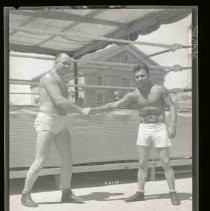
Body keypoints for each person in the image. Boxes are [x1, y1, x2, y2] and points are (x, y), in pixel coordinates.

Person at [88, 64, 180, 205]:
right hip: (144, 128)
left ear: (148, 76)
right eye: (137, 77)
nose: (139, 79)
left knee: (165, 162)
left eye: (142, 75)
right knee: (142, 163)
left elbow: (172, 106)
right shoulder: (134, 94)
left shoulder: (159, 89)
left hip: (159, 127)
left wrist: (173, 125)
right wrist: (96, 110)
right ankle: (140, 192)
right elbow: (115, 105)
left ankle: (173, 192)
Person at [21, 53, 90, 207]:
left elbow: (64, 103)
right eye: (64, 63)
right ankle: (25, 194)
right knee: (40, 160)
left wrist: (77, 105)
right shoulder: (48, 77)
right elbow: (59, 101)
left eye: (69, 64)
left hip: (61, 121)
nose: (67, 66)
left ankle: (66, 193)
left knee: (67, 158)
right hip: (47, 120)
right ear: (56, 62)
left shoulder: (62, 80)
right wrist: (81, 110)